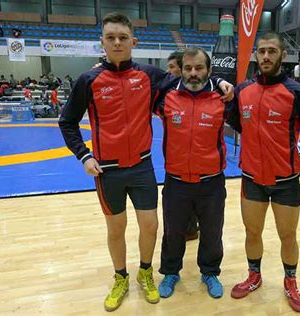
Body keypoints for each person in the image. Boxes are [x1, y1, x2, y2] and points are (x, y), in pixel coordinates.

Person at [58, 12, 232, 312]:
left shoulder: (149, 76)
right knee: (116, 229)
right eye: (110, 37)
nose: (116, 42)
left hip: (141, 166)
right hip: (107, 169)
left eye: (122, 37)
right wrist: (83, 155)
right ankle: (121, 278)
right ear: (102, 41)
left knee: (150, 227)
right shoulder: (89, 79)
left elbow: (189, 79)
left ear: (133, 42)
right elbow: (67, 122)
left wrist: (217, 80)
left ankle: (146, 272)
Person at [228, 33, 300, 313]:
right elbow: (237, 122)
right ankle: (254, 276)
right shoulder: (242, 91)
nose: (265, 57)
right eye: (261, 51)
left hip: (285, 181)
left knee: (288, 235)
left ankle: (291, 281)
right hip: (251, 179)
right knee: (252, 232)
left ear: (282, 55)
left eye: (272, 51)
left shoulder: (297, 92)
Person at [156, 46, 232, 300]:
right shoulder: (166, 97)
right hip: (176, 181)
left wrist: (221, 82)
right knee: (173, 231)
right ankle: (170, 272)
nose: (193, 73)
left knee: (212, 231)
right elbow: (145, 76)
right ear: (181, 71)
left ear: (208, 70)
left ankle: (210, 272)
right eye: (187, 68)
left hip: (211, 181)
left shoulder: (222, 100)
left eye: (199, 68)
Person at [165, 50, 200, 242]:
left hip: (202, 168)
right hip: (177, 165)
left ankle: (192, 228)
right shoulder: (167, 94)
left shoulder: (210, 93)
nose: (168, 72)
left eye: (172, 67)